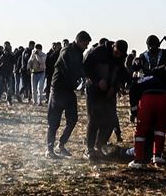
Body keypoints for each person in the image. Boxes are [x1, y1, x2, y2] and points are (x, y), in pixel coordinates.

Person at [127, 58, 166, 168]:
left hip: (147, 98)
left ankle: (138, 160)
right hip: (164, 99)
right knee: (160, 129)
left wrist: (134, 109)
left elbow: (134, 88)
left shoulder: (150, 77)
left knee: (140, 130)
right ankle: (157, 156)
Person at [45, 31, 92, 159]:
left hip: (69, 90)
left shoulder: (78, 53)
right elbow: (69, 69)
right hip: (58, 90)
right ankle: (49, 149)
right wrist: (83, 76)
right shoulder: (66, 51)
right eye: (85, 44)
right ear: (79, 41)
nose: (86, 46)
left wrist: (86, 75)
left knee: (73, 119)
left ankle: (61, 144)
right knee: (54, 121)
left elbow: (79, 68)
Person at [83, 39, 129, 161]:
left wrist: (114, 87)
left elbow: (120, 73)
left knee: (110, 120)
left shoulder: (121, 57)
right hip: (94, 90)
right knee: (94, 120)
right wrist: (98, 80)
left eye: (120, 54)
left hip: (109, 92)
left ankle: (100, 145)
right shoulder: (99, 51)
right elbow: (86, 67)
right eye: (117, 52)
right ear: (113, 46)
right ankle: (89, 149)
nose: (118, 55)